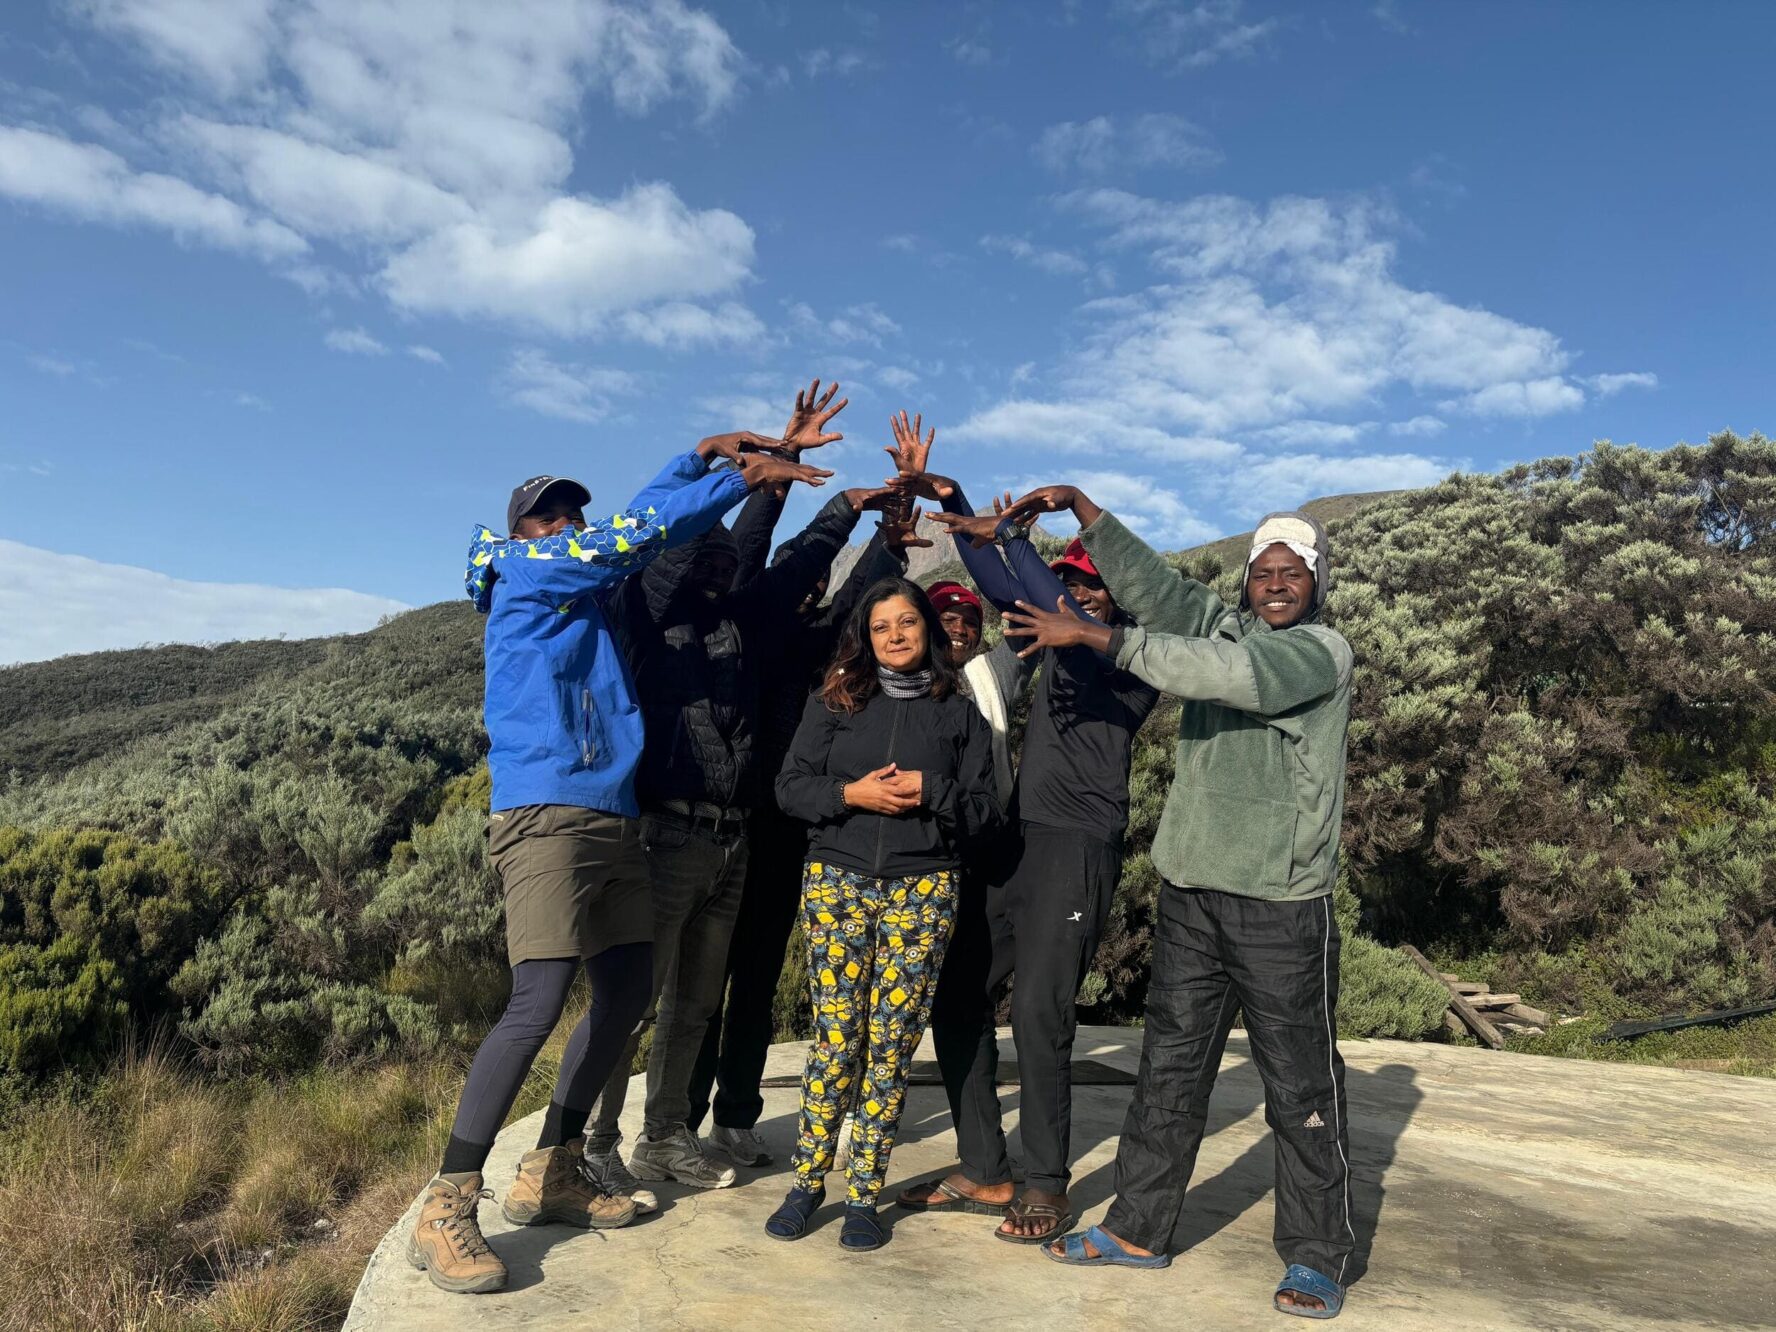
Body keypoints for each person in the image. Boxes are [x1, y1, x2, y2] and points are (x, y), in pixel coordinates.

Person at [405, 433, 826, 1297]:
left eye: (574, 513)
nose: (569, 523)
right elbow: (633, 537)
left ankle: (554, 1169)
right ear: (522, 532)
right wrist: (736, 478)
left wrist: (698, 455)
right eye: (549, 516)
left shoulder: (587, 586)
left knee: (630, 991)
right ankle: (447, 1202)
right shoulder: (528, 576)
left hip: (614, 811)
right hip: (545, 812)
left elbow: (634, 531)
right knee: (539, 999)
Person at [1003, 492, 1357, 1320]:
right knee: (1168, 1072)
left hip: (1280, 902)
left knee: (1300, 1087)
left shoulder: (1318, 653)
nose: (1274, 584)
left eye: (1290, 573)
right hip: (1193, 890)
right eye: (1262, 572)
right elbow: (1161, 589)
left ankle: (1316, 1253)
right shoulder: (1222, 621)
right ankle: (1138, 1228)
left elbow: (1231, 678)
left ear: (1315, 585)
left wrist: (1098, 636)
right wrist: (1087, 514)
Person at [581, 384, 914, 1197]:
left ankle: (664, 1139)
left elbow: (792, 569)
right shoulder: (652, 616)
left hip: (731, 837)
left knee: (695, 1004)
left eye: (731, 563)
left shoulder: (740, 622)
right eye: (711, 556)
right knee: (633, 1001)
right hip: (663, 834)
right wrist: (760, 467)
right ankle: (592, 1145)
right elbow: (696, 546)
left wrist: (841, 508)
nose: (725, 566)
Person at [882, 421, 1170, 1247]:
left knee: (1042, 1013)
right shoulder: (1050, 653)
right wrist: (962, 507)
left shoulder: (1129, 663)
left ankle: (1045, 1181)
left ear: (1113, 607)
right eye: (1070, 591)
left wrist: (1013, 535)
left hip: (1076, 848)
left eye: (1089, 595)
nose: (1073, 603)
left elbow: (1037, 596)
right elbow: (1013, 596)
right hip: (1014, 842)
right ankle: (985, 1166)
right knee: (958, 990)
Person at [683, 438, 930, 1166]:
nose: (806, 586)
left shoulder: (814, 639)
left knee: (754, 982)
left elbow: (858, 605)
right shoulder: (739, 624)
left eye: (814, 580)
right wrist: (780, 475)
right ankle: (679, 1121)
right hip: (722, 827)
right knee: (699, 988)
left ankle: (734, 1117)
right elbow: (760, 556)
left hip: (783, 831)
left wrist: (889, 539)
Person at [764, 577, 1001, 1252]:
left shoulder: (958, 712)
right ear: (865, 638)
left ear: (927, 628)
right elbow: (791, 788)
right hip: (835, 882)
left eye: (907, 623)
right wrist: (852, 793)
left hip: (922, 889)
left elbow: (986, 811)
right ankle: (808, 1181)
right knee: (836, 1039)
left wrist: (934, 789)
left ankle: (865, 1191)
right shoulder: (836, 700)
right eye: (880, 627)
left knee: (891, 1047)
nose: (895, 636)